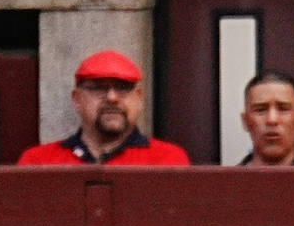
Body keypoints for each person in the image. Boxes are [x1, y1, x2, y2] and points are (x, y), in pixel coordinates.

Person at [17, 49, 189, 166]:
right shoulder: (38, 162)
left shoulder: (166, 160)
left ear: (139, 98)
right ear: (77, 99)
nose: (112, 98)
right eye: (99, 88)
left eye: (123, 88)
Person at [237, 70, 294, 166]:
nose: (272, 119)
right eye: (260, 110)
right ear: (245, 121)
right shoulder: (225, 181)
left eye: (283, 109)